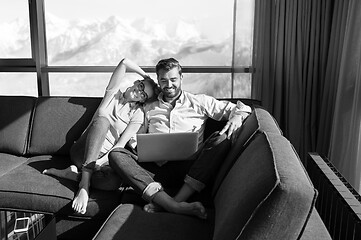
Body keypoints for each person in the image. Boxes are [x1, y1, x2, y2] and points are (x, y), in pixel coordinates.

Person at [108, 58, 252, 219]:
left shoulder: (199, 101)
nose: (169, 85)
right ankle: (172, 205)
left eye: (173, 79)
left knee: (221, 139)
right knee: (116, 154)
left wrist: (238, 116)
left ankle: (176, 201)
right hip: (154, 170)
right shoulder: (148, 107)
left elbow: (242, 108)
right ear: (158, 81)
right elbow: (135, 136)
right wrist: (138, 146)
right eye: (163, 80)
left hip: (190, 169)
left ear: (181, 78)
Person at [43, 58, 159, 214]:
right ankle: (84, 185)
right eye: (141, 86)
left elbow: (119, 146)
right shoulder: (113, 94)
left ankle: (71, 174)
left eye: (144, 95)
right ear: (137, 82)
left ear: (143, 100)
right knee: (102, 122)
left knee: (113, 182)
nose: (139, 92)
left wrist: (101, 161)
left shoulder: (138, 115)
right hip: (81, 151)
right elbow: (125, 62)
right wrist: (147, 76)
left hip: (102, 160)